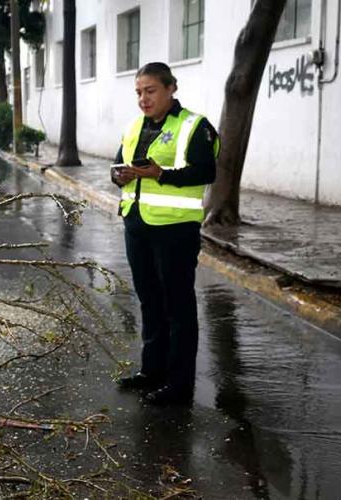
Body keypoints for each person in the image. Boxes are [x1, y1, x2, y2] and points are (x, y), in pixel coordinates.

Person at [111, 62, 219, 406]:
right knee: (150, 301)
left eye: (150, 91)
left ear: (171, 88)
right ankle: (151, 371)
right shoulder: (133, 127)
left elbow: (206, 172)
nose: (143, 99)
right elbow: (118, 165)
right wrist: (120, 176)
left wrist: (160, 174)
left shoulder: (194, 126)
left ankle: (179, 384)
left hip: (175, 230)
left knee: (178, 307)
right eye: (139, 93)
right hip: (137, 225)